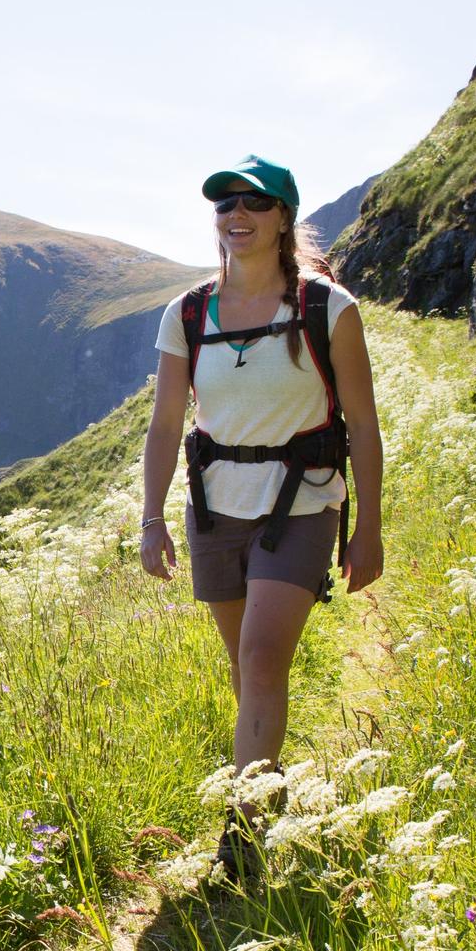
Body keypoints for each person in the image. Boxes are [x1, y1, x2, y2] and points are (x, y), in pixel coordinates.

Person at [138, 154, 384, 881]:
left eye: (255, 203)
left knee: (259, 658)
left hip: (302, 505)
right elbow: (162, 424)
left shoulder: (327, 309)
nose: (236, 215)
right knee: (246, 671)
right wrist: (150, 519)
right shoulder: (187, 313)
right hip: (215, 509)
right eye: (224, 205)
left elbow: (364, 427)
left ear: (283, 217)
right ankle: (270, 788)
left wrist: (367, 528)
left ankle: (242, 838)